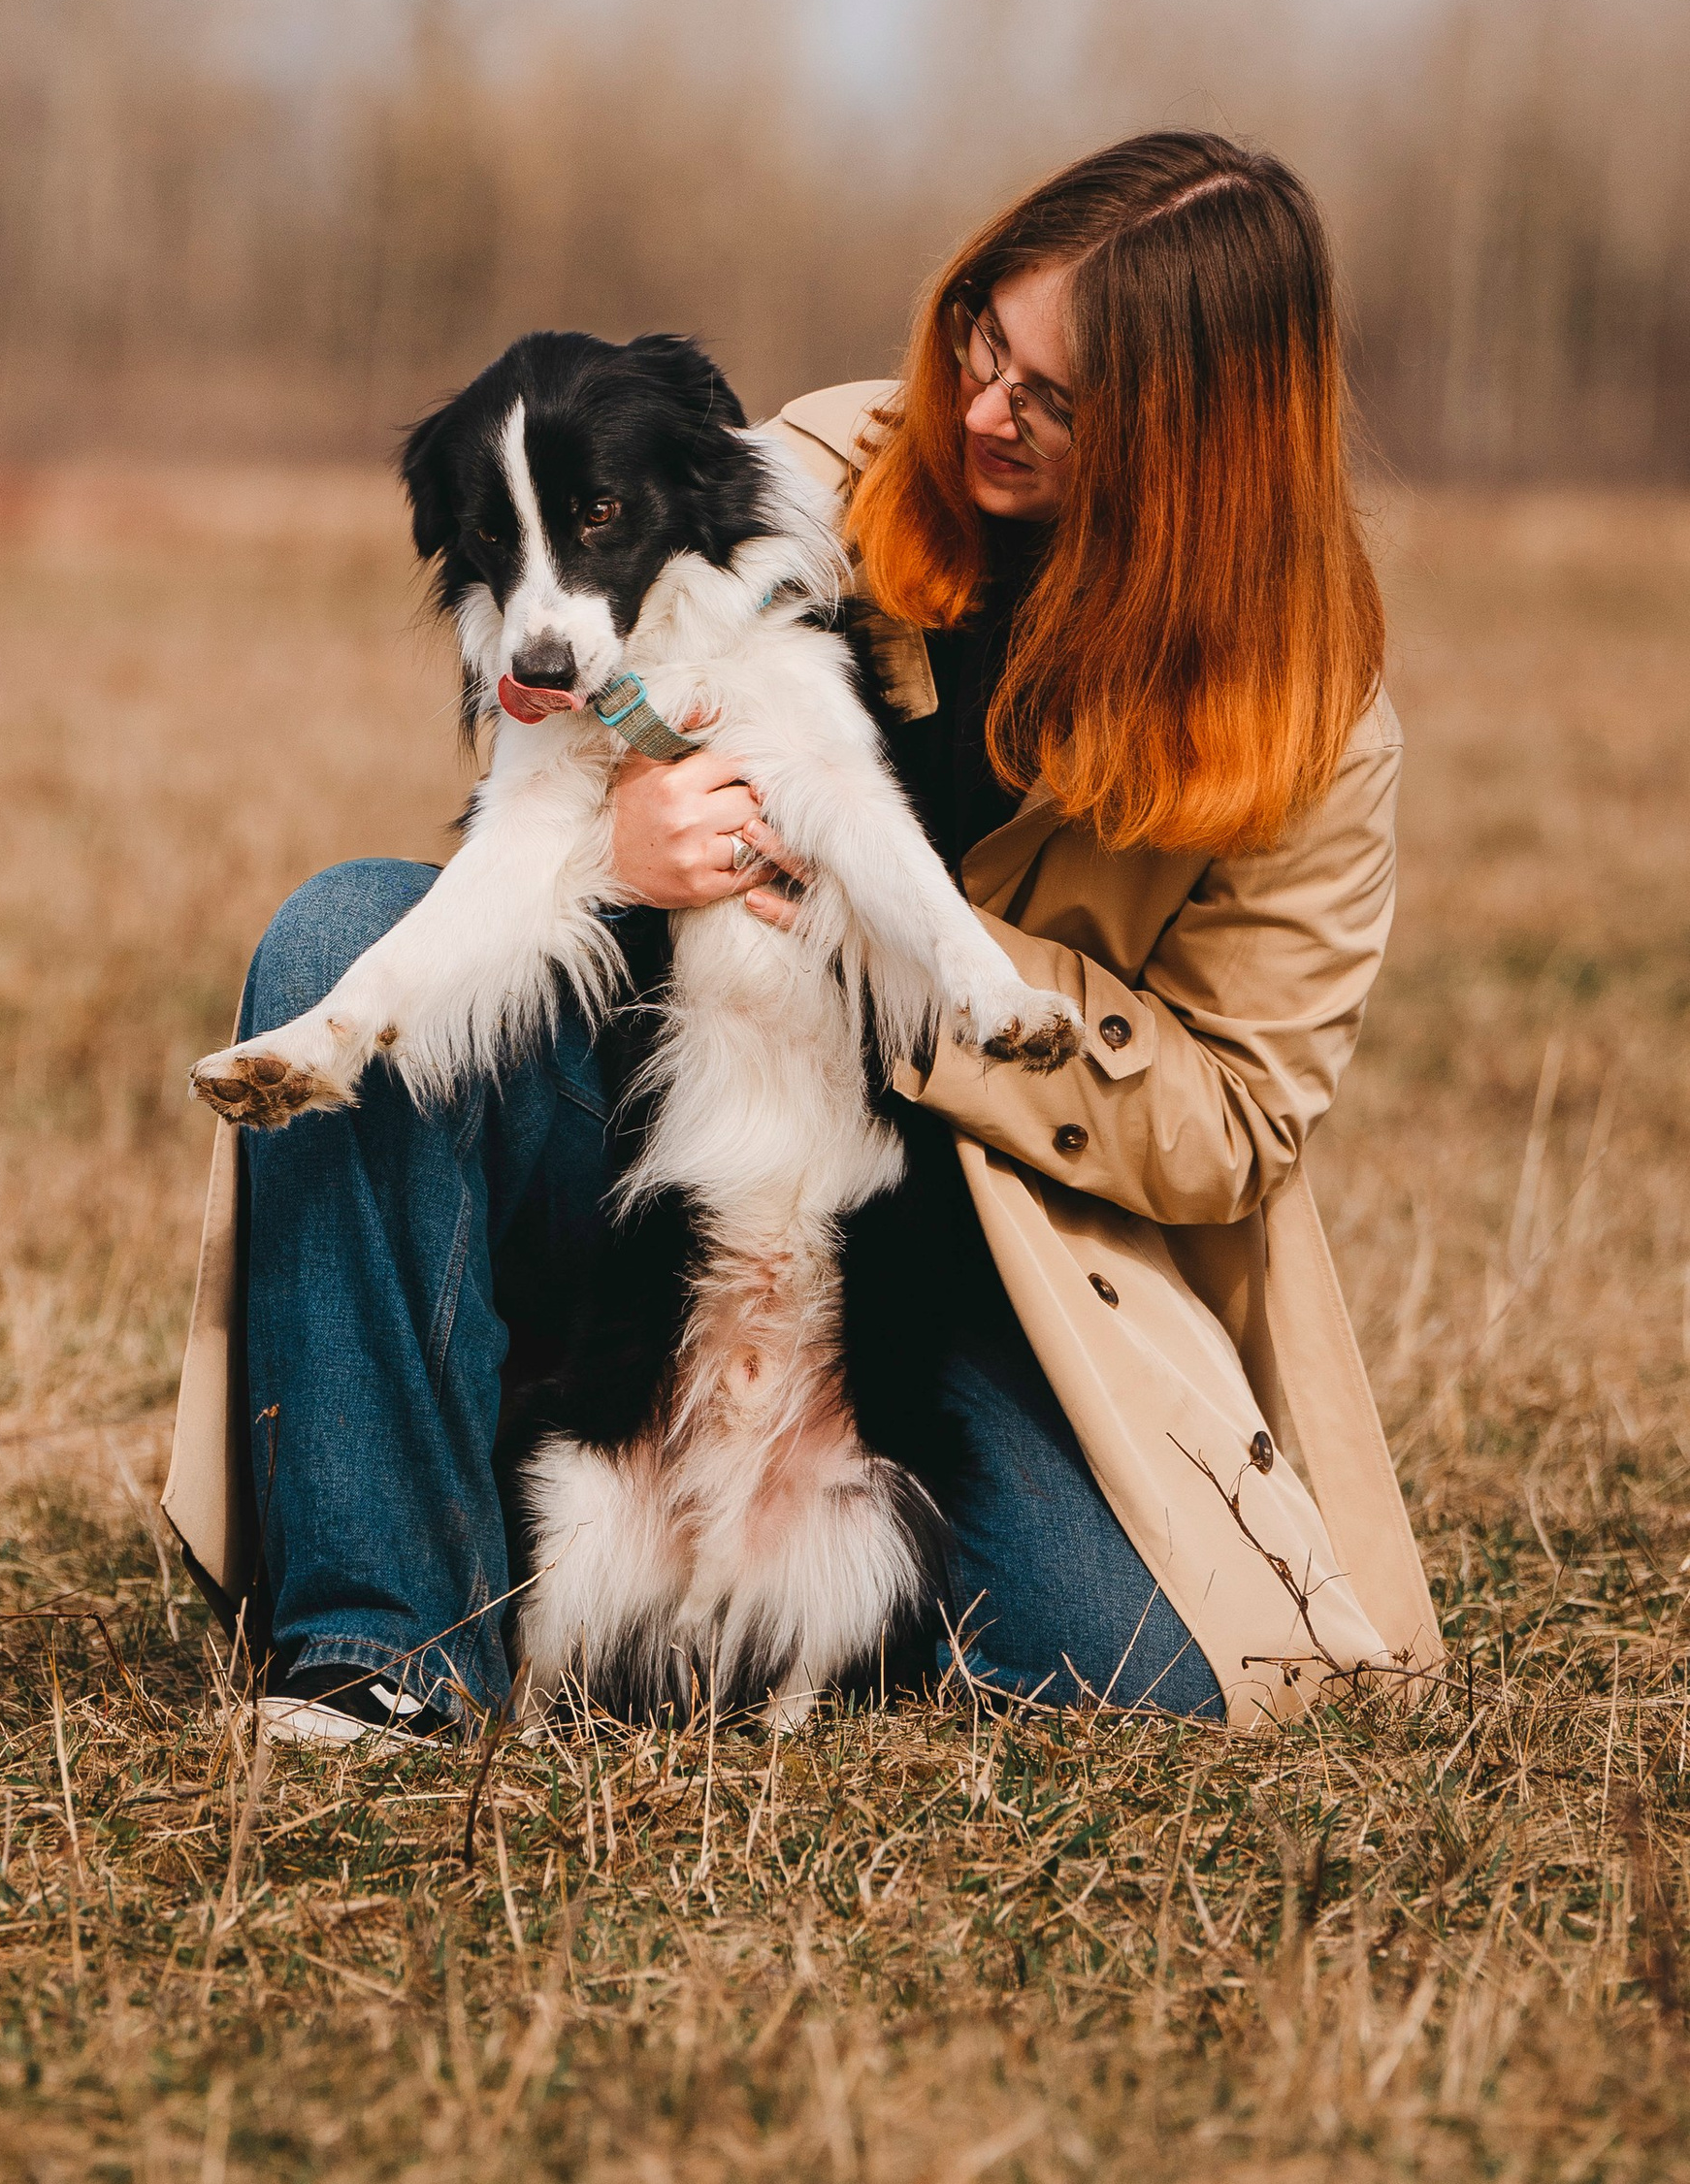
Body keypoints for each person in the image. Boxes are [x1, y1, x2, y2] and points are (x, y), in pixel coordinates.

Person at [160, 132, 1444, 1740]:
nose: (981, 411)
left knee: (1162, 1684)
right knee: (339, 930)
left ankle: (771, 1601)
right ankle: (384, 1647)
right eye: (983, 340)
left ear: (1198, 445)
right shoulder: (833, 464)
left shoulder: (1310, 721)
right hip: (655, 1133)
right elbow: (554, 673)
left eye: (1053, 399)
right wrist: (627, 851)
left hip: (965, 1253)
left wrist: (928, 989)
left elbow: (1237, 1125)